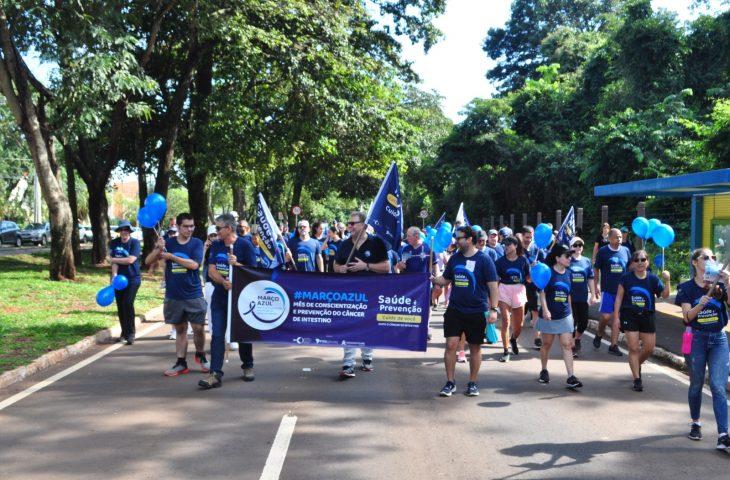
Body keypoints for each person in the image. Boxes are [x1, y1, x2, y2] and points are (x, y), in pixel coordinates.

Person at [431, 226, 499, 397]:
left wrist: (494, 309)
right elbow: (445, 280)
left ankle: (473, 382)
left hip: (477, 310)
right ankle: (450, 382)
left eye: (460, 237)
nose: (456, 241)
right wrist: (432, 278)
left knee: (475, 347)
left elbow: (493, 286)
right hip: (455, 309)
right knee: (451, 345)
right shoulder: (454, 259)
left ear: (469, 239)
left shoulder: (484, 260)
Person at [676, 248, 730, 450]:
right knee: (696, 384)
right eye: (705, 257)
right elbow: (687, 317)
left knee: (717, 385)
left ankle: (723, 435)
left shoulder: (720, 284)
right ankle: (696, 422)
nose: (710, 260)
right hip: (697, 339)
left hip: (719, 339)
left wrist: (729, 282)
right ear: (695, 262)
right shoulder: (686, 288)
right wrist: (700, 305)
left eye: (714, 257)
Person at [145, 213, 209, 376]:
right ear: (178, 227)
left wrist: (171, 256)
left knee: (198, 328)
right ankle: (181, 363)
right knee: (180, 329)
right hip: (173, 294)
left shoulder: (196, 243)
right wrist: (159, 248)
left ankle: (201, 355)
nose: (190, 229)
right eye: (186, 226)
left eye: (192, 226)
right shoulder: (169, 243)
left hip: (193, 294)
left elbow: (195, 265)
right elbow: (148, 261)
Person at [198, 213, 258, 389]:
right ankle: (215, 374)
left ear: (229, 229)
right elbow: (211, 270)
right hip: (220, 298)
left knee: (243, 334)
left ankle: (247, 365)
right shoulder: (216, 245)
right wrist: (223, 282)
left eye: (218, 228)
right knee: (217, 335)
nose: (216, 232)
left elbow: (254, 272)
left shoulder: (245, 245)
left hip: (241, 299)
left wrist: (238, 265)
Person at [333, 211, 390, 378]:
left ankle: (367, 358)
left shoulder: (377, 242)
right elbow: (336, 266)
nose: (349, 226)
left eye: (353, 223)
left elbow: (386, 267)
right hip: (349, 294)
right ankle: (348, 364)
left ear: (364, 225)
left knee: (367, 326)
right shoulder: (344, 244)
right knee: (349, 326)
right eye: (348, 223)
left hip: (371, 293)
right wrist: (340, 269)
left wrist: (366, 266)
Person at [613, 249, 670, 391]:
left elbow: (664, 295)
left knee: (649, 348)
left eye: (643, 260)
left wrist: (667, 280)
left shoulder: (653, 279)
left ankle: (635, 365)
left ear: (647, 262)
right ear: (633, 263)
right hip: (629, 315)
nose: (640, 263)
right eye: (637, 260)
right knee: (633, 348)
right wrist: (616, 317)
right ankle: (637, 379)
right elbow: (619, 298)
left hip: (647, 315)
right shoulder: (626, 278)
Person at [536, 244, 583, 389]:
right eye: (567, 256)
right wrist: (545, 310)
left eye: (570, 256)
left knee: (567, 345)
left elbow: (568, 295)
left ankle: (571, 376)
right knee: (546, 345)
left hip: (565, 315)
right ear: (557, 258)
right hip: (549, 316)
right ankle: (544, 370)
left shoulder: (569, 273)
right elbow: (542, 293)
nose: (570, 258)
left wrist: (572, 316)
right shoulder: (548, 273)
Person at [593, 228, 632, 356]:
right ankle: (599, 333)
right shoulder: (603, 252)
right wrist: (596, 286)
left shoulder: (626, 251)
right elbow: (597, 269)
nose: (619, 239)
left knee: (616, 318)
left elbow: (630, 267)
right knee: (606, 316)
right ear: (609, 238)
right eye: (616, 237)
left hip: (622, 291)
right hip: (607, 290)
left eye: (620, 237)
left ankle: (613, 345)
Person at [495, 236, 530, 362]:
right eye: (504, 245)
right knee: (506, 321)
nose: (506, 247)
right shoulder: (499, 262)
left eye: (509, 244)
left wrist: (535, 271)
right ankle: (505, 351)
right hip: (504, 289)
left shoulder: (523, 261)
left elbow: (528, 279)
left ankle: (513, 339)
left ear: (515, 246)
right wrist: (492, 299)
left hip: (519, 290)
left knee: (519, 325)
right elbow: (495, 281)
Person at [109, 220, 141, 345]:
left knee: (128, 304)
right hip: (119, 279)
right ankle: (124, 332)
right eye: (122, 230)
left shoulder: (135, 243)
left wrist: (114, 259)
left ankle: (131, 334)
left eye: (126, 229)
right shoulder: (114, 243)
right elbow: (114, 262)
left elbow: (131, 260)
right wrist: (114, 276)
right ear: (119, 231)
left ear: (129, 231)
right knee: (120, 306)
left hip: (133, 278)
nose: (124, 232)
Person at [568, 237, 595, 356]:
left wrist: (593, 294)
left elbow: (590, 278)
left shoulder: (586, 261)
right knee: (572, 321)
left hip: (583, 297)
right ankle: (572, 345)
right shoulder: (567, 260)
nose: (578, 247)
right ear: (571, 247)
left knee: (583, 322)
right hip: (570, 298)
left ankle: (577, 338)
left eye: (580, 245)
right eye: (575, 245)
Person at [522, 226, 546, 349]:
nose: (529, 239)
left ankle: (537, 338)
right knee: (519, 313)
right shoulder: (517, 249)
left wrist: (538, 266)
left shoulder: (538, 249)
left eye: (531, 237)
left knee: (536, 311)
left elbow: (545, 265)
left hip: (533, 285)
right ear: (522, 236)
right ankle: (514, 335)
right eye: (527, 237)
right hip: (519, 286)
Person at [203, 225, 217, 332]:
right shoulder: (207, 248)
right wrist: (205, 249)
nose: (213, 237)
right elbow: (199, 263)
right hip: (209, 282)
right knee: (210, 307)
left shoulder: (225, 246)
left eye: (215, 235)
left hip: (224, 282)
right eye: (211, 236)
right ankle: (212, 332)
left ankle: (229, 337)